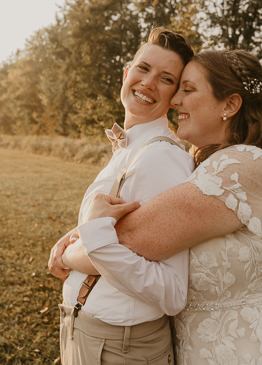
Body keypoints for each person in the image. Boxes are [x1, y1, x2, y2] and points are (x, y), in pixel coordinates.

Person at [69, 49, 262, 364]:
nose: (175, 101)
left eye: (188, 89)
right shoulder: (202, 167)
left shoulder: (242, 166)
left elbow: (131, 238)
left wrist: (67, 250)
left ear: (229, 105)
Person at [47, 27, 195, 365]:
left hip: (117, 347)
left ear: (174, 97)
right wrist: (74, 235)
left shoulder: (160, 159)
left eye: (166, 78)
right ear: (127, 72)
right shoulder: (133, 148)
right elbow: (121, 232)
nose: (148, 82)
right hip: (89, 331)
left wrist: (73, 255)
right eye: (143, 68)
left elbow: (172, 292)